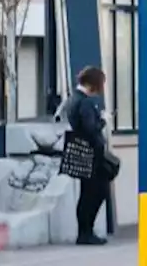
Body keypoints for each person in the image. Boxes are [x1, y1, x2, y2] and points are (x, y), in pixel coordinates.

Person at [61, 66, 112, 245]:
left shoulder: (73, 99)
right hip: (93, 154)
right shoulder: (86, 102)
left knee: (87, 193)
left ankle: (85, 232)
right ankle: (86, 232)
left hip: (82, 153)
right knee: (98, 192)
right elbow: (90, 128)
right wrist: (103, 120)